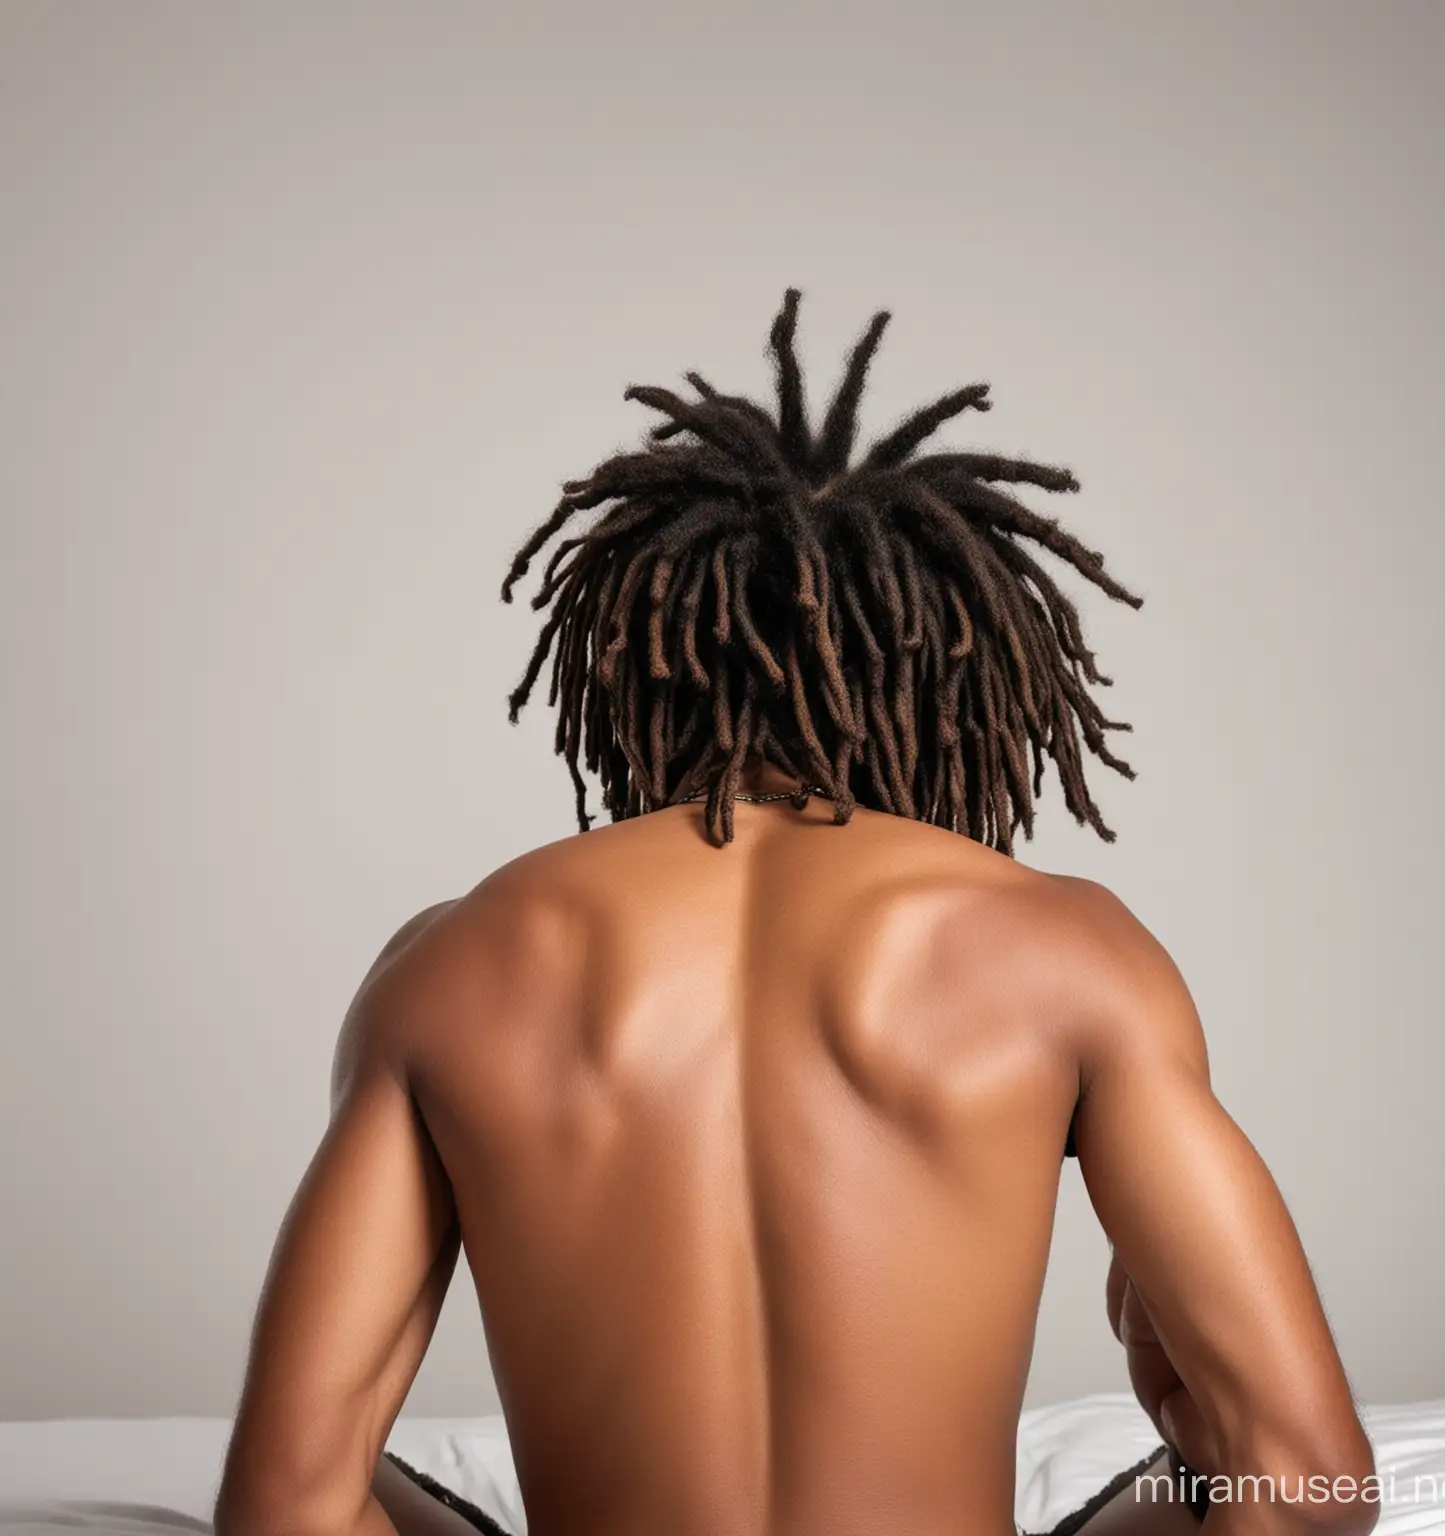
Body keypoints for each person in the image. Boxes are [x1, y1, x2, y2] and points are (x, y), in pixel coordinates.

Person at [213, 292, 1377, 1536]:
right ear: (955, 676)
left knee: (362, 1466)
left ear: (631, 664)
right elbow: (1312, 1491)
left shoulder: (451, 965)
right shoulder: (1071, 955)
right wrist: (1183, 1418)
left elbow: (285, 1510)